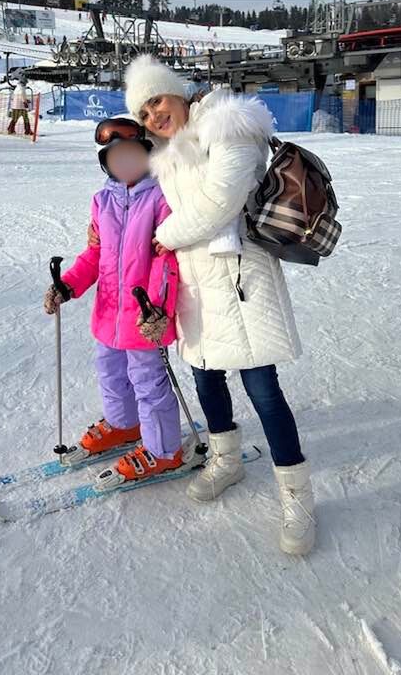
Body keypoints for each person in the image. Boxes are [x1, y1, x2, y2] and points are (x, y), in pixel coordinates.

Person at [122, 54, 314, 555]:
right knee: (205, 374)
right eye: (143, 113)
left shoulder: (226, 125)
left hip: (239, 279)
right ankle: (226, 459)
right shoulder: (168, 154)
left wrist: (163, 236)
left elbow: (218, 203)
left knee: (262, 387)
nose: (154, 116)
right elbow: (157, 204)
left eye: (157, 100)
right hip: (195, 284)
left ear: (176, 91)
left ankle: (297, 497)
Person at [43, 117, 185, 482]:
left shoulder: (161, 198)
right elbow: (95, 254)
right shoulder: (101, 201)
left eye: (132, 154)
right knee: (109, 371)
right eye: (115, 157)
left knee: (148, 380)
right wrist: (69, 286)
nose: (124, 164)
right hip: (108, 312)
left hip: (143, 314)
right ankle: (124, 424)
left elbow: (165, 262)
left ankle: (163, 450)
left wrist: (156, 309)